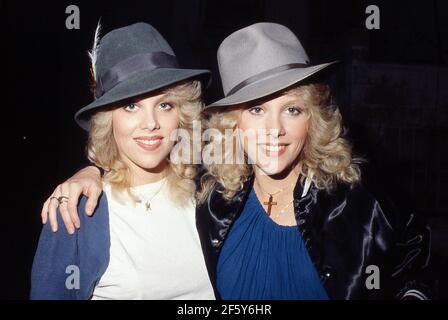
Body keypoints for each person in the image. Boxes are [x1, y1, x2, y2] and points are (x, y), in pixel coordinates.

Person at [40, 23, 433, 300]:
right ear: (233, 123)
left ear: (313, 119)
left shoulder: (357, 203)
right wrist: (90, 172)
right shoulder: (215, 197)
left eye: (293, 110)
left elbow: (415, 264)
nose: (273, 130)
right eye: (257, 110)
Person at [31, 22, 215, 300]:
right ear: (108, 121)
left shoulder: (210, 195)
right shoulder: (76, 211)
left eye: (165, 105)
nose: (151, 123)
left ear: (182, 114)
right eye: (131, 106)